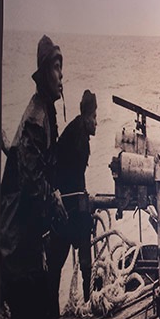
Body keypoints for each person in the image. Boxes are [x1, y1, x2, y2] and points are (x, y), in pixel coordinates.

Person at [0, 34, 67, 319]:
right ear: (43, 74)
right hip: (17, 247)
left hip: (27, 243)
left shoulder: (46, 113)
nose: (60, 74)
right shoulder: (36, 119)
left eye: (61, 66)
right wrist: (55, 206)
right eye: (54, 67)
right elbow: (31, 184)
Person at [49, 89, 99, 302]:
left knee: (56, 263)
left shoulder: (76, 129)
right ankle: (88, 299)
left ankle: (55, 310)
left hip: (65, 199)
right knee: (82, 236)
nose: (96, 123)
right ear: (87, 115)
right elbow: (74, 173)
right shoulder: (80, 137)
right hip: (67, 204)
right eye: (94, 117)